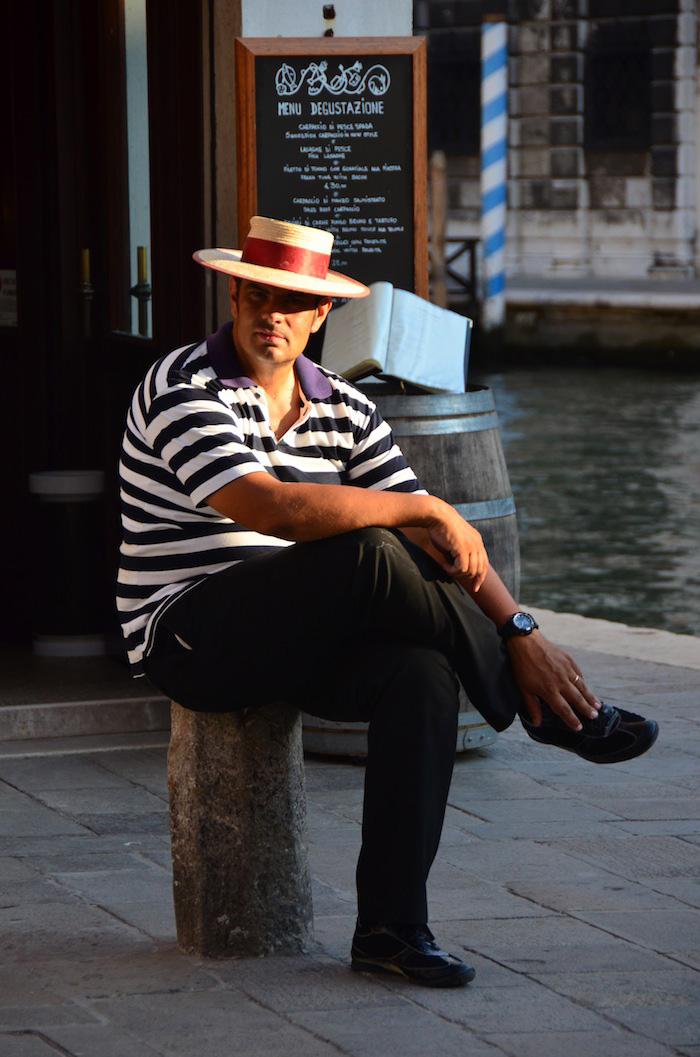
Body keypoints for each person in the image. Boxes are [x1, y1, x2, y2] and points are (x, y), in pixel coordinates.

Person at [117, 216, 657, 989]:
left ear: (319, 316)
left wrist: (522, 628)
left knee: (423, 676)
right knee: (375, 548)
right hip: (192, 636)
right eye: (259, 294)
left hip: (296, 631)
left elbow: (443, 546)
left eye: (291, 302)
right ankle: (534, 708)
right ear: (234, 294)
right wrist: (427, 511)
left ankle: (391, 929)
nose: (272, 313)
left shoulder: (343, 405)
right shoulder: (180, 386)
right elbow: (277, 511)